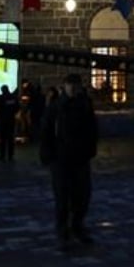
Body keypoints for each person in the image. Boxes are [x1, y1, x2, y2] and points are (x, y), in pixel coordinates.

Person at [40, 73, 99, 249]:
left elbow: (92, 129)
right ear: (64, 86)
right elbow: (46, 131)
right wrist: (48, 155)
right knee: (62, 197)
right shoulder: (56, 107)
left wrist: (90, 150)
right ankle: (63, 231)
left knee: (82, 196)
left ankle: (78, 226)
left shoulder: (85, 106)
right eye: (69, 85)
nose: (72, 89)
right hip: (61, 159)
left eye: (75, 86)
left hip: (80, 158)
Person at [0, 84, 20, 161]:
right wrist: (12, 113)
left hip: (3, 121)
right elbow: (17, 107)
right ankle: (10, 155)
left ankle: (2, 155)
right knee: (10, 138)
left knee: (3, 139)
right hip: (11, 120)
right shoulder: (13, 98)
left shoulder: (1, 98)